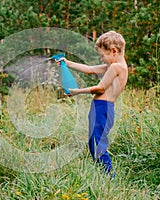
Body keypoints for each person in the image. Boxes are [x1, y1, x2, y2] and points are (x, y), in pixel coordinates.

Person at [58, 31, 128, 177]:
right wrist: (68, 63)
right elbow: (90, 70)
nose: (102, 59)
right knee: (94, 143)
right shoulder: (114, 65)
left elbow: (101, 88)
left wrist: (77, 91)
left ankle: (109, 176)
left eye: (103, 55)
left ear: (114, 51)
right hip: (100, 108)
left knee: (98, 144)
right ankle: (103, 175)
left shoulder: (116, 67)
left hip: (103, 108)